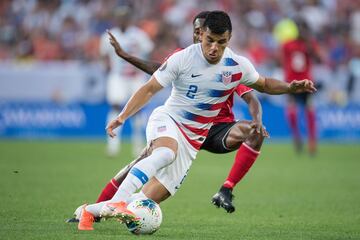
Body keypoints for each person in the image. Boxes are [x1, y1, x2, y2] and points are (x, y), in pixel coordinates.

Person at [77, 11, 316, 231]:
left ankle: (89, 211)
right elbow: (150, 88)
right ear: (201, 34)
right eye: (209, 40)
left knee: (147, 199)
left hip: (193, 141)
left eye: (221, 42)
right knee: (165, 154)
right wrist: (122, 116)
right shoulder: (183, 58)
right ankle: (117, 202)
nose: (214, 48)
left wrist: (290, 87)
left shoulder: (236, 65)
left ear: (229, 38)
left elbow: (263, 84)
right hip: (169, 120)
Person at [100, 7, 154, 157]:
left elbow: (148, 51)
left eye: (125, 17)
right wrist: (106, 67)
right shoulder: (110, 35)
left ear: (129, 19)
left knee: (137, 110)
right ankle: (113, 145)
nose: (122, 20)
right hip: (117, 76)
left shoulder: (139, 35)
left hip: (135, 76)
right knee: (115, 107)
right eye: (120, 17)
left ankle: (138, 146)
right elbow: (103, 55)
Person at [282, 19, 322, 155]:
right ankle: (297, 137)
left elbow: (320, 59)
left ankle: (312, 142)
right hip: (292, 82)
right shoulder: (287, 45)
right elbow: (282, 60)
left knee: (309, 109)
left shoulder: (310, 44)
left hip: (306, 82)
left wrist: (310, 47)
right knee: (292, 110)